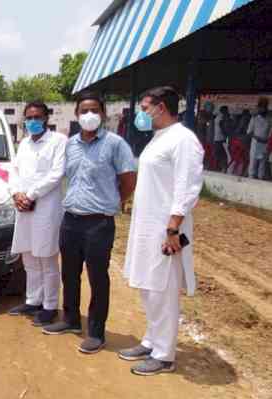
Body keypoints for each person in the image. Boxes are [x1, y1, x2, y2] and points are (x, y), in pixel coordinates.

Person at [42, 91, 137, 355]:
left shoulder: (116, 144)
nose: (89, 115)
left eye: (94, 110)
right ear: (76, 115)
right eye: (83, 111)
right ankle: (71, 320)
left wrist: (113, 202)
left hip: (99, 224)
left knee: (98, 277)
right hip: (70, 220)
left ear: (103, 114)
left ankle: (96, 332)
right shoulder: (69, 145)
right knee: (69, 273)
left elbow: (129, 179)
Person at [121, 86, 204, 375]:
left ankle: (165, 355)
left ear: (161, 107)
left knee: (163, 289)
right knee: (148, 286)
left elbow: (187, 187)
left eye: (145, 108)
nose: (141, 114)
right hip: (145, 224)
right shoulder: (158, 139)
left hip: (164, 227)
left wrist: (173, 228)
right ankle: (152, 340)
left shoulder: (183, 140)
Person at [7, 101, 67, 328]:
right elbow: (14, 171)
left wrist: (30, 194)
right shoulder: (23, 144)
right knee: (29, 257)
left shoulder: (58, 142)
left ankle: (50, 306)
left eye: (38, 117)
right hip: (23, 207)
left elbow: (56, 174)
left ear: (46, 118)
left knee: (47, 258)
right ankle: (33, 300)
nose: (33, 121)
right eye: (29, 117)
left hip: (46, 208)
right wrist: (16, 193)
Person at [247, 98, 271, 179]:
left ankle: (261, 180)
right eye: (261, 107)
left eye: (264, 107)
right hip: (255, 144)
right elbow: (249, 132)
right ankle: (250, 180)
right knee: (253, 164)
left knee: (262, 165)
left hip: (265, 144)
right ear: (259, 108)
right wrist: (257, 138)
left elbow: (270, 132)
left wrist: (267, 139)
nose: (262, 109)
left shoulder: (269, 119)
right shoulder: (254, 119)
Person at [212, 106, 232, 172]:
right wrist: (227, 135)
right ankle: (223, 168)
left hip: (216, 138)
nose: (227, 112)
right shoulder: (221, 118)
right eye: (226, 110)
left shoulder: (217, 117)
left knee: (219, 154)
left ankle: (218, 168)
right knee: (223, 155)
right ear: (224, 111)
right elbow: (223, 128)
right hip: (221, 139)